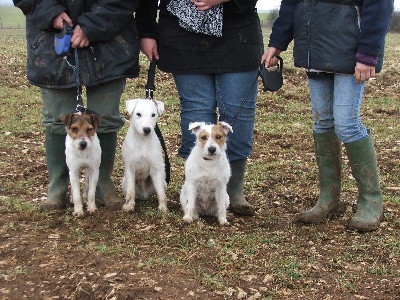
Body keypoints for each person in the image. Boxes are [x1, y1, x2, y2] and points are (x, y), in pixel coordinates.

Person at [262, 0, 394, 231]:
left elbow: (380, 5)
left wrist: (368, 54)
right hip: (315, 49)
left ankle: (370, 201)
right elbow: (291, 4)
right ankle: (329, 199)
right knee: (323, 123)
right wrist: (277, 43)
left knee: (346, 124)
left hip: (351, 52)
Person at [13, 0, 152, 211]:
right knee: (56, 118)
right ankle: (57, 188)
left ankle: (102, 183)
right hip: (51, 37)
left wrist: (94, 23)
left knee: (105, 117)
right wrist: (49, 11)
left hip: (111, 38)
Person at [138, 0, 264, 216]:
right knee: (196, 115)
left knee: (237, 116)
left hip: (237, 34)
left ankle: (231, 191)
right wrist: (147, 30)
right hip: (183, 37)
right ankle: (194, 191)